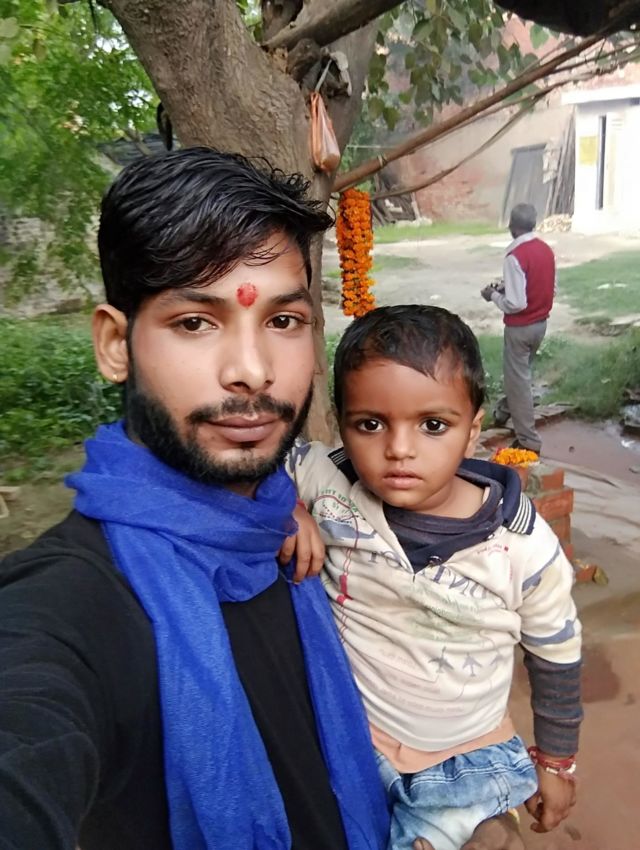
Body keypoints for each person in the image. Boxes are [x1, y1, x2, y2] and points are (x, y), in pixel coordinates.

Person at [0, 149, 525, 850]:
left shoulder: (307, 529)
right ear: (116, 344)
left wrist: (478, 811)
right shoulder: (73, 605)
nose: (251, 371)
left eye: (283, 322)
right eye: (196, 322)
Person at [287, 305, 582, 850]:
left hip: (464, 758)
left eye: (432, 426)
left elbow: (556, 657)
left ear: (472, 431)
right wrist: (282, 507)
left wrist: (556, 762)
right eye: (370, 424)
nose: (399, 449)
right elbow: (266, 459)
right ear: (341, 422)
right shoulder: (328, 482)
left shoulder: (520, 546)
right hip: (349, 737)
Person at [480, 203, 556, 454]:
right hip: (540, 324)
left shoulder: (515, 256)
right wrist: (507, 288)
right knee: (519, 376)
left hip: (521, 328)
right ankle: (504, 411)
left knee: (519, 382)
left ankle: (528, 440)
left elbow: (516, 303)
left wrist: (493, 295)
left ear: (512, 227)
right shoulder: (545, 250)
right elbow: (546, 286)